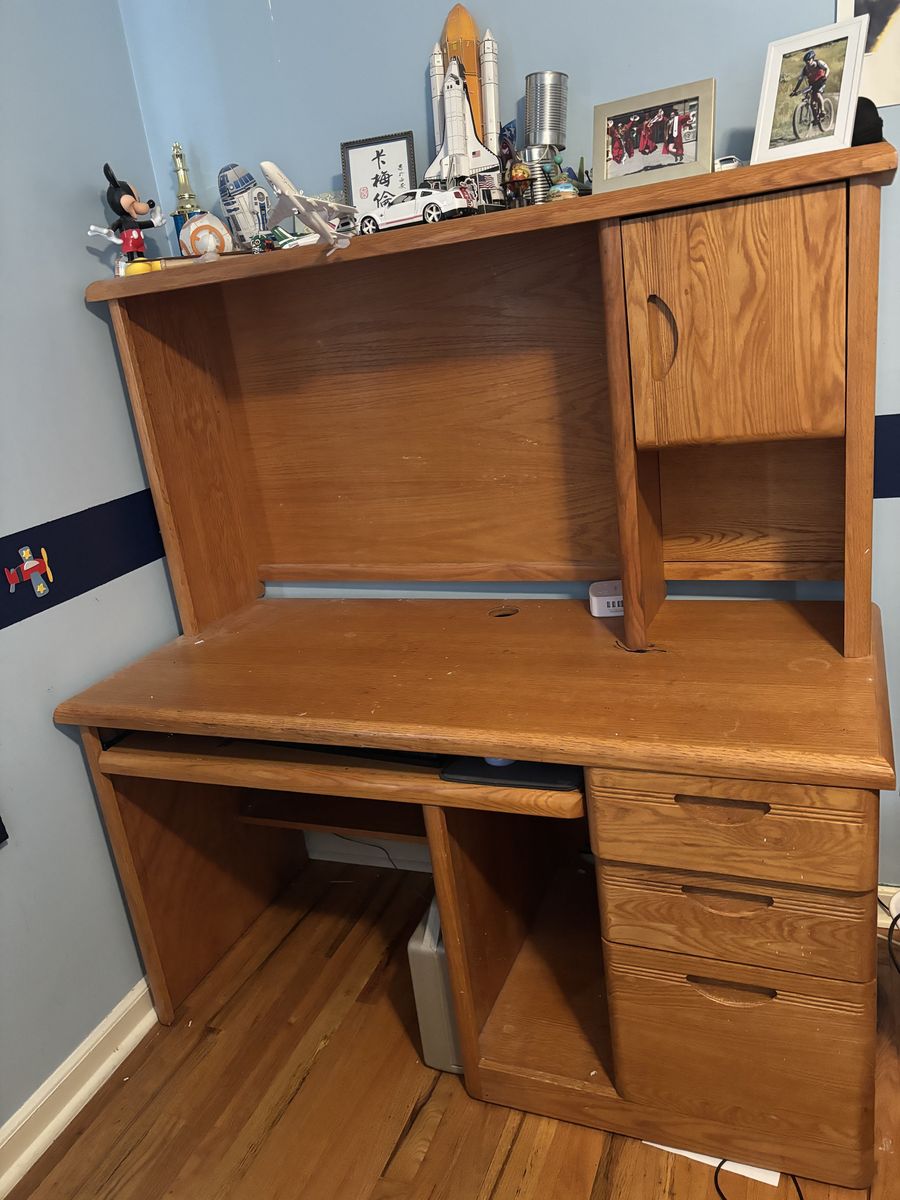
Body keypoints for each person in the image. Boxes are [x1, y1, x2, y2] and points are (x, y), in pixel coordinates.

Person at [791, 48, 830, 129]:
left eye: (809, 60)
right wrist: (795, 91)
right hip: (812, 84)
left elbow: (827, 69)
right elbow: (800, 80)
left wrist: (825, 77)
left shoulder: (819, 63)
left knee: (817, 94)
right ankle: (816, 118)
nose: (807, 62)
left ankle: (822, 111)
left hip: (821, 81)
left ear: (813, 59)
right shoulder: (805, 69)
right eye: (806, 61)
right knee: (812, 101)